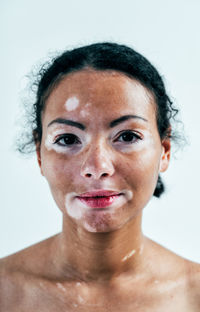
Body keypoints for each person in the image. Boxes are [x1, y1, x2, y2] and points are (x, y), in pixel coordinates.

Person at [0, 42, 199, 311]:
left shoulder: (193, 294)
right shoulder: (5, 291)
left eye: (128, 136)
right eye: (67, 138)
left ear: (164, 149)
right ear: (39, 154)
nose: (96, 166)